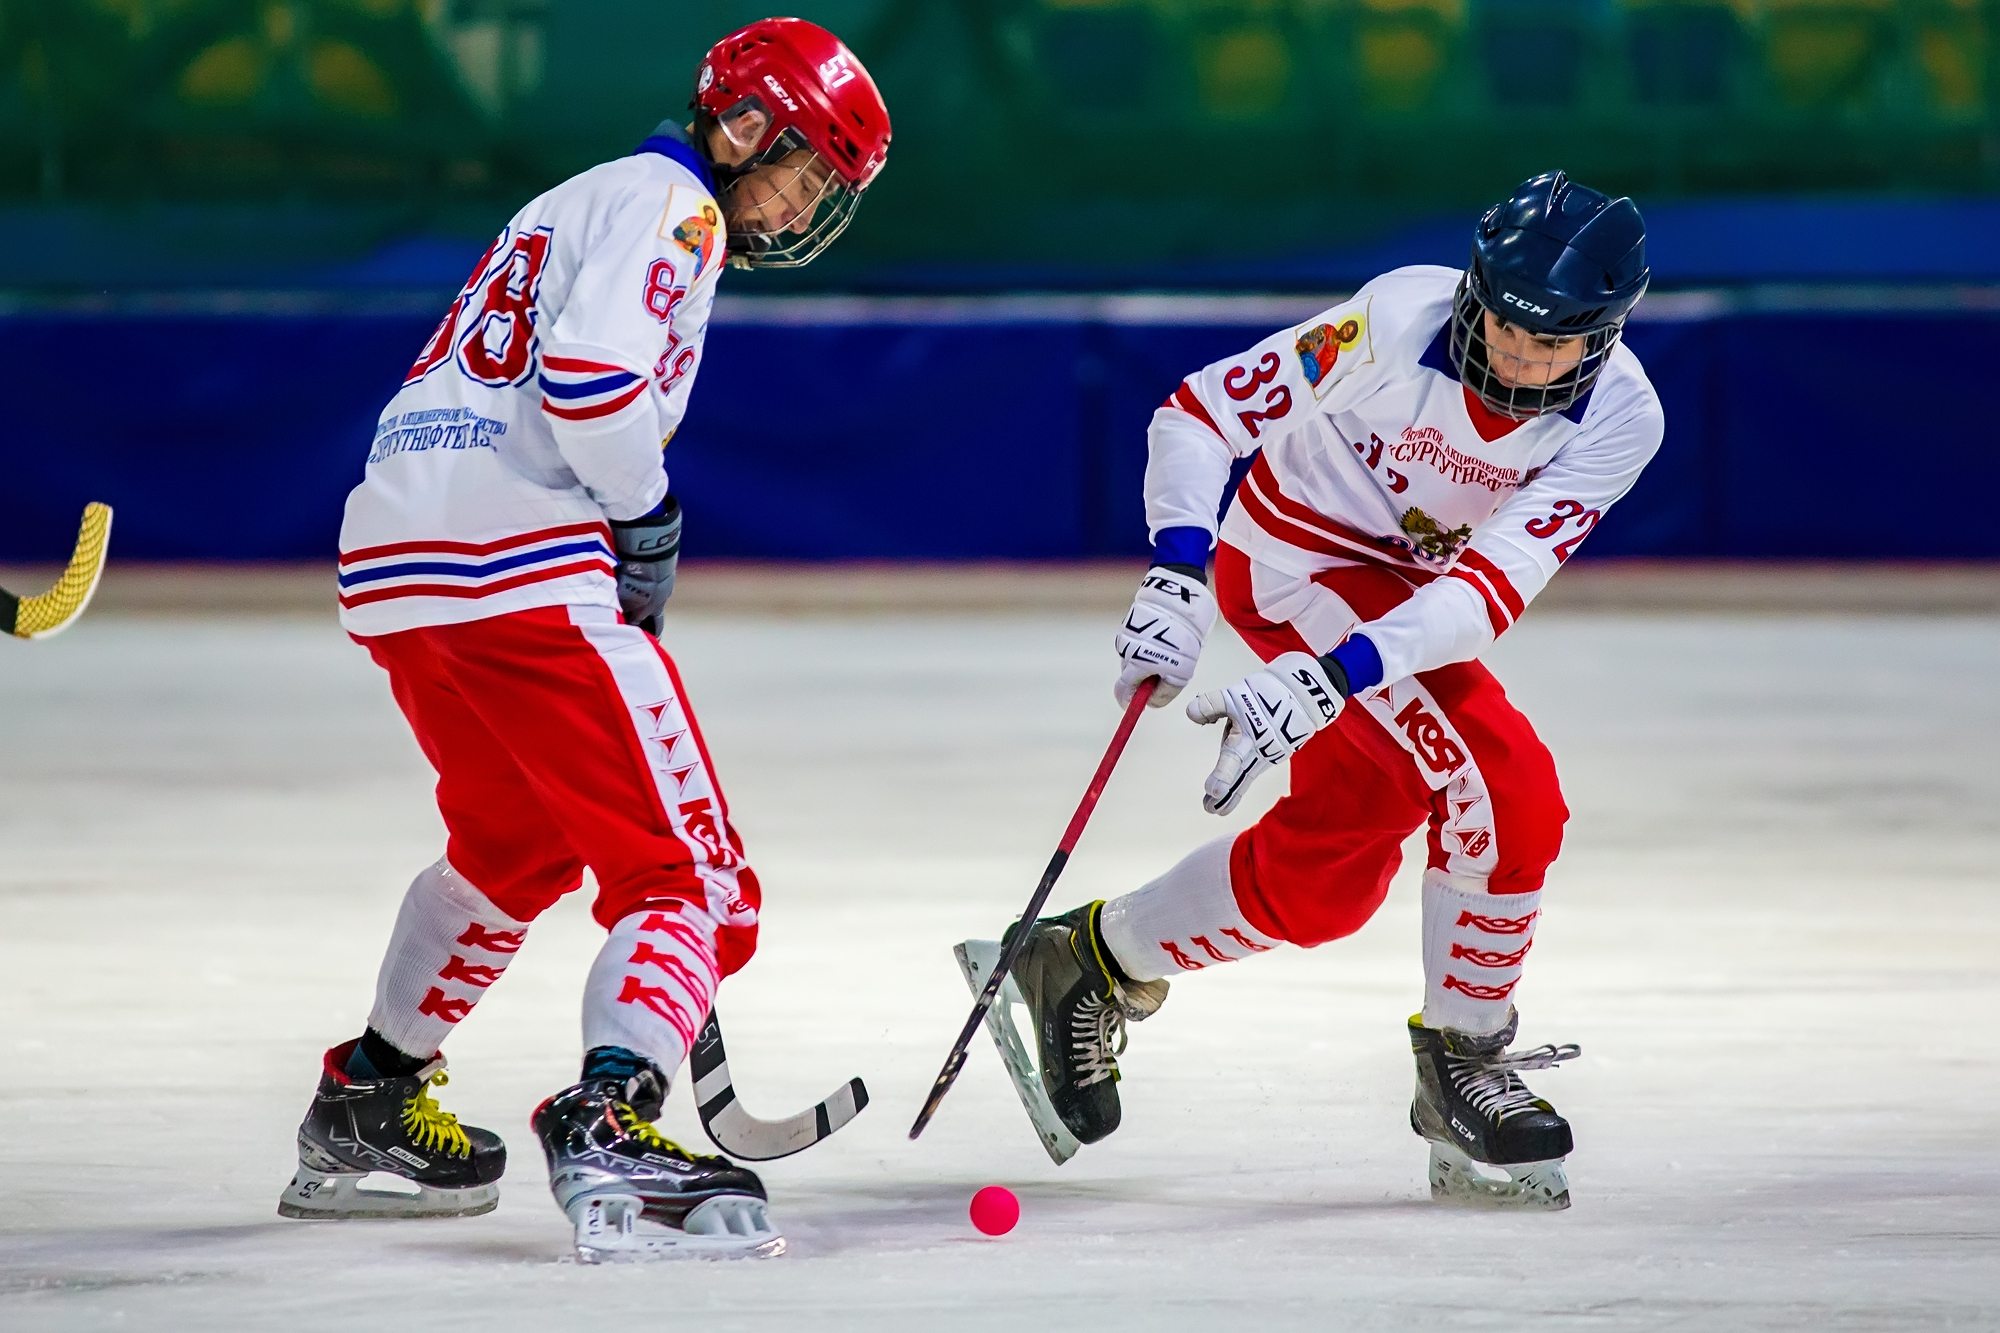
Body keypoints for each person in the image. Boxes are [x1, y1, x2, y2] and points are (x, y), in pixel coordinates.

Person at [275, 18, 890, 1260]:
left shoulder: (584, 197)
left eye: (818, 187)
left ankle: (372, 1092)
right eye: (799, 167)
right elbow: (599, 379)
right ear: (742, 124)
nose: (794, 201)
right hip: (518, 560)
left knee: (516, 841)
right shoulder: (677, 210)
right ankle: (612, 1111)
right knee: (692, 880)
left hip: (404, 558)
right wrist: (646, 517)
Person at [999, 171, 1660, 1209]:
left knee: (1330, 878)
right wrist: (1176, 571)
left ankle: (1086, 955)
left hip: (1403, 606)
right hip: (1292, 562)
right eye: (1498, 324)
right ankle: (1463, 1060)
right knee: (1503, 787)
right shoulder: (1392, 320)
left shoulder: (1620, 418)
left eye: (1551, 344)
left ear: (1606, 334)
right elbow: (1200, 412)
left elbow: (1484, 593)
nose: (1514, 360)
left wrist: (1333, 675)